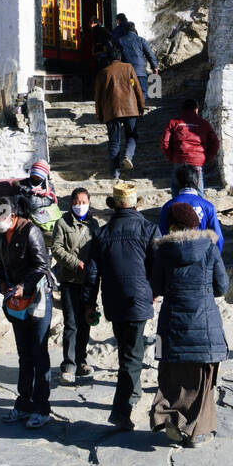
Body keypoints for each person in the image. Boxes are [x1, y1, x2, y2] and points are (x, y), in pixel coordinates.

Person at [150, 202, 229, 448]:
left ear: (172, 226)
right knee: (202, 380)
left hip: (171, 325)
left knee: (171, 376)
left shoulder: (163, 251)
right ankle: (196, 432)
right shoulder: (209, 248)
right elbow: (222, 286)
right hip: (205, 325)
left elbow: (156, 287)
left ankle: (172, 421)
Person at [83, 181, 158, 430]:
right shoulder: (148, 229)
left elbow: (92, 274)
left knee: (127, 349)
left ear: (114, 206)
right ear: (136, 205)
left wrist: (89, 303)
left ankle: (133, 392)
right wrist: (155, 291)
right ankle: (120, 411)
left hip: (113, 300)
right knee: (132, 356)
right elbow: (158, 266)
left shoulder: (103, 233)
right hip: (139, 298)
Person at [0, 185, 53, 429]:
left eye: (0, 220)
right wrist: (2, 282)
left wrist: (24, 285)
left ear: (11, 215)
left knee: (39, 353)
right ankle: (24, 404)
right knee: (24, 354)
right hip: (15, 297)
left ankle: (42, 407)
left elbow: (42, 265)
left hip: (37, 296)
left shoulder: (29, 230)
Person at [51, 187, 100, 384]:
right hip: (70, 280)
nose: (80, 205)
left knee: (85, 321)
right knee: (71, 323)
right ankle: (68, 364)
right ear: (71, 203)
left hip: (89, 281)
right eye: (77, 202)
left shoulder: (94, 224)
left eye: (83, 202)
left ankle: (81, 361)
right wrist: (75, 262)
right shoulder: (62, 223)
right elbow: (56, 248)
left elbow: (98, 249)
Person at [94, 43, 145, 180]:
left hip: (111, 112)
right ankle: (128, 155)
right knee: (132, 135)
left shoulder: (102, 73)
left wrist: (99, 114)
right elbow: (136, 88)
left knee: (114, 142)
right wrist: (141, 106)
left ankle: (115, 172)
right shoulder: (128, 68)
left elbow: (98, 96)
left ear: (108, 59)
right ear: (120, 57)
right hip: (130, 109)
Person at [157, 164, 224, 252]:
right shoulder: (207, 206)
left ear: (177, 182)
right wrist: (212, 259)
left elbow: (162, 236)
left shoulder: (168, 206)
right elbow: (218, 238)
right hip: (202, 256)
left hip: (176, 258)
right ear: (198, 182)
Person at [160, 99, 220, 195]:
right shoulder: (204, 123)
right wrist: (205, 158)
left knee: (176, 191)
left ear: (182, 109)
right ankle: (199, 208)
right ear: (196, 110)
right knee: (199, 192)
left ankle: (176, 208)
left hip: (179, 160)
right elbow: (215, 143)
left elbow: (165, 142)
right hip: (197, 161)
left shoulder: (174, 122)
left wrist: (172, 157)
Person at [113, 17, 159, 98]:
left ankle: (133, 108)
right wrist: (154, 66)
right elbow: (149, 54)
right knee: (142, 91)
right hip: (140, 73)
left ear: (125, 30)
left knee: (130, 91)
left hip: (128, 73)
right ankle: (141, 108)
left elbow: (117, 57)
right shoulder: (141, 40)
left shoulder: (120, 40)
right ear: (135, 29)